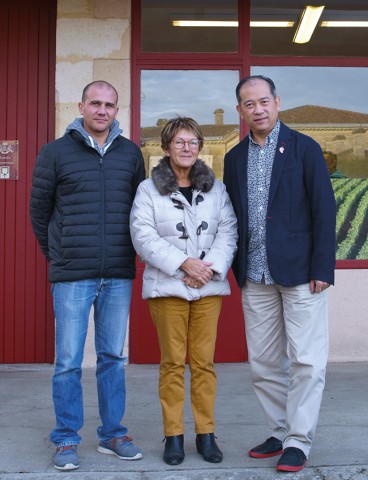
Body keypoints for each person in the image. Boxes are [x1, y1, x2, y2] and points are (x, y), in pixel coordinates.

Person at [30, 80, 145, 471]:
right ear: (81, 106)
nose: (102, 110)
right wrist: (59, 257)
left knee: (113, 357)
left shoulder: (131, 154)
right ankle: (65, 439)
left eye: (109, 105)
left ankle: (113, 434)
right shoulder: (55, 153)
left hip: (117, 273)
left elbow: (137, 213)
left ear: (117, 110)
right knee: (68, 361)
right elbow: (39, 212)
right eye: (95, 103)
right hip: (72, 276)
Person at [223, 75, 336, 473]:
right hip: (255, 274)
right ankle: (280, 429)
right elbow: (232, 216)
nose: (258, 109)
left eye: (263, 101)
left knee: (306, 361)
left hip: (303, 273)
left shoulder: (304, 148)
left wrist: (324, 266)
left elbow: (325, 209)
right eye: (249, 104)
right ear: (240, 110)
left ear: (277, 102)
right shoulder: (234, 157)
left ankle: (299, 441)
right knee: (264, 362)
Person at [129, 117, 238, 466]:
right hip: (167, 288)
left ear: (200, 146)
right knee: (172, 364)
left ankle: (206, 434)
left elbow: (229, 232)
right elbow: (143, 236)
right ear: (166, 148)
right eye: (179, 142)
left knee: (204, 364)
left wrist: (207, 269)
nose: (186, 148)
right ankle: (173, 435)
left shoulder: (216, 189)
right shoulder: (148, 189)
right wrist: (184, 265)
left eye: (192, 142)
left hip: (208, 287)